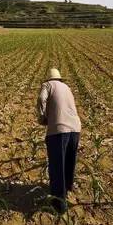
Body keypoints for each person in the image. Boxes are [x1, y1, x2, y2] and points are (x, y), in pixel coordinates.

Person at [36, 68, 81, 213]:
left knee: (57, 165)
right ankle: (67, 189)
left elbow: (41, 99)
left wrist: (42, 117)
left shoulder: (48, 85)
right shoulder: (66, 87)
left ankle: (59, 203)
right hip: (75, 128)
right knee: (69, 161)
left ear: (48, 79)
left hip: (59, 130)